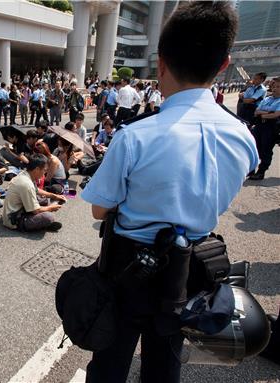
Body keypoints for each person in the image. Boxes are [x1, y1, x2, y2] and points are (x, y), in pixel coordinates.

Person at [80, 3, 258, 382]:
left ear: (161, 63)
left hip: (128, 268)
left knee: (110, 360)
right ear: (224, 63)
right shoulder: (244, 137)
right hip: (190, 270)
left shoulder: (135, 137)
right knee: (165, 362)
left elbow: (99, 210)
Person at [2, 154, 65, 232]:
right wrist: (50, 208)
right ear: (37, 169)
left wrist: (54, 196)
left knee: (44, 200)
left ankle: (40, 223)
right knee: (48, 217)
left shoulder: (26, 173)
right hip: (14, 219)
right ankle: (39, 225)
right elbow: (36, 211)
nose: (45, 173)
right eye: (44, 170)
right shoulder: (27, 184)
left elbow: (37, 190)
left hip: (18, 209)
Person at [249, 78, 280, 180]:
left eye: (278, 87)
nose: (275, 89)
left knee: (265, 150)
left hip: (271, 127)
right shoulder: (267, 99)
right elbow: (256, 111)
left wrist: (264, 114)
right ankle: (251, 169)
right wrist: (268, 113)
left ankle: (261, 171)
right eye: (274, 86)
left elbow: (276, 115)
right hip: (259, 126)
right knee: (254, 147)